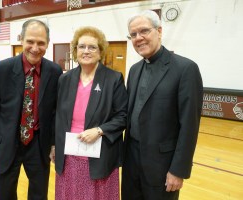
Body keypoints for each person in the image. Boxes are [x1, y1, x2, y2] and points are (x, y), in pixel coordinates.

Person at [122, 10, 203, 200]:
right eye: (133, 34)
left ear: (159, 31)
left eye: (144, 31)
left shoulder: (185, 69)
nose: (138, 38)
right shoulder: (134, 70)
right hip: (131, 160)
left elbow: (189, 126)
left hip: (162, 165)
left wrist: (178, 170)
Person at [0, 19, 62, 200]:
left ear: (47, 43)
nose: (35, 47)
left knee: (39, 194)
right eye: (30, 41)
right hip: (6, 144)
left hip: (38, 144)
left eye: (41, 43)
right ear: (21, 40)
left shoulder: (54, 71)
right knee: (5, 194)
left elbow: (55, 111)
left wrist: (54, 143)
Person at [51, 26, 128, 200]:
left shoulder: (113, 79)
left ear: (101, 52)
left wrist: (99, 130)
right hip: (70, 155)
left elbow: (123, 116)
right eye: (81, 46)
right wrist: (55, 145)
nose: (86, 51)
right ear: (75, 50)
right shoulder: (65, 79)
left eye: (92, 47)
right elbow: (58, 116)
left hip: (99, 155)